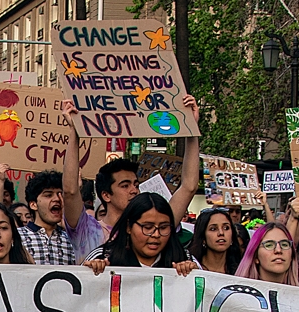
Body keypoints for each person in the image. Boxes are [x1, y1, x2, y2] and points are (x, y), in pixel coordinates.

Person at [60, 94, 202, 261]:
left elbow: (189, 187)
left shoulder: (153, 224)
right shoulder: (88, 230)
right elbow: (70, 191)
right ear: (106, 195)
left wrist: (191, 130)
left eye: (136, 184)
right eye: (125, 185)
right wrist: (74, 131)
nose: (134, 190)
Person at [17, 169, 76, 266]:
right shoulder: (18, 236)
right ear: (33, 205)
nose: (57, 199)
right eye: (48, 195)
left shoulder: (71, 239)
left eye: (60, 194)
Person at [237, 220, 298, 285]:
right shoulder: (236, 292)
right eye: (269, 245)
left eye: (284, 245)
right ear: (255, 256)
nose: (278, 250)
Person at [187, 206, 243, 275]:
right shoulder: (191, 267)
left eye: (226, 228)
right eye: (213, 229)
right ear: (203, 237)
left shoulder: (242, 271)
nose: (221, 233)